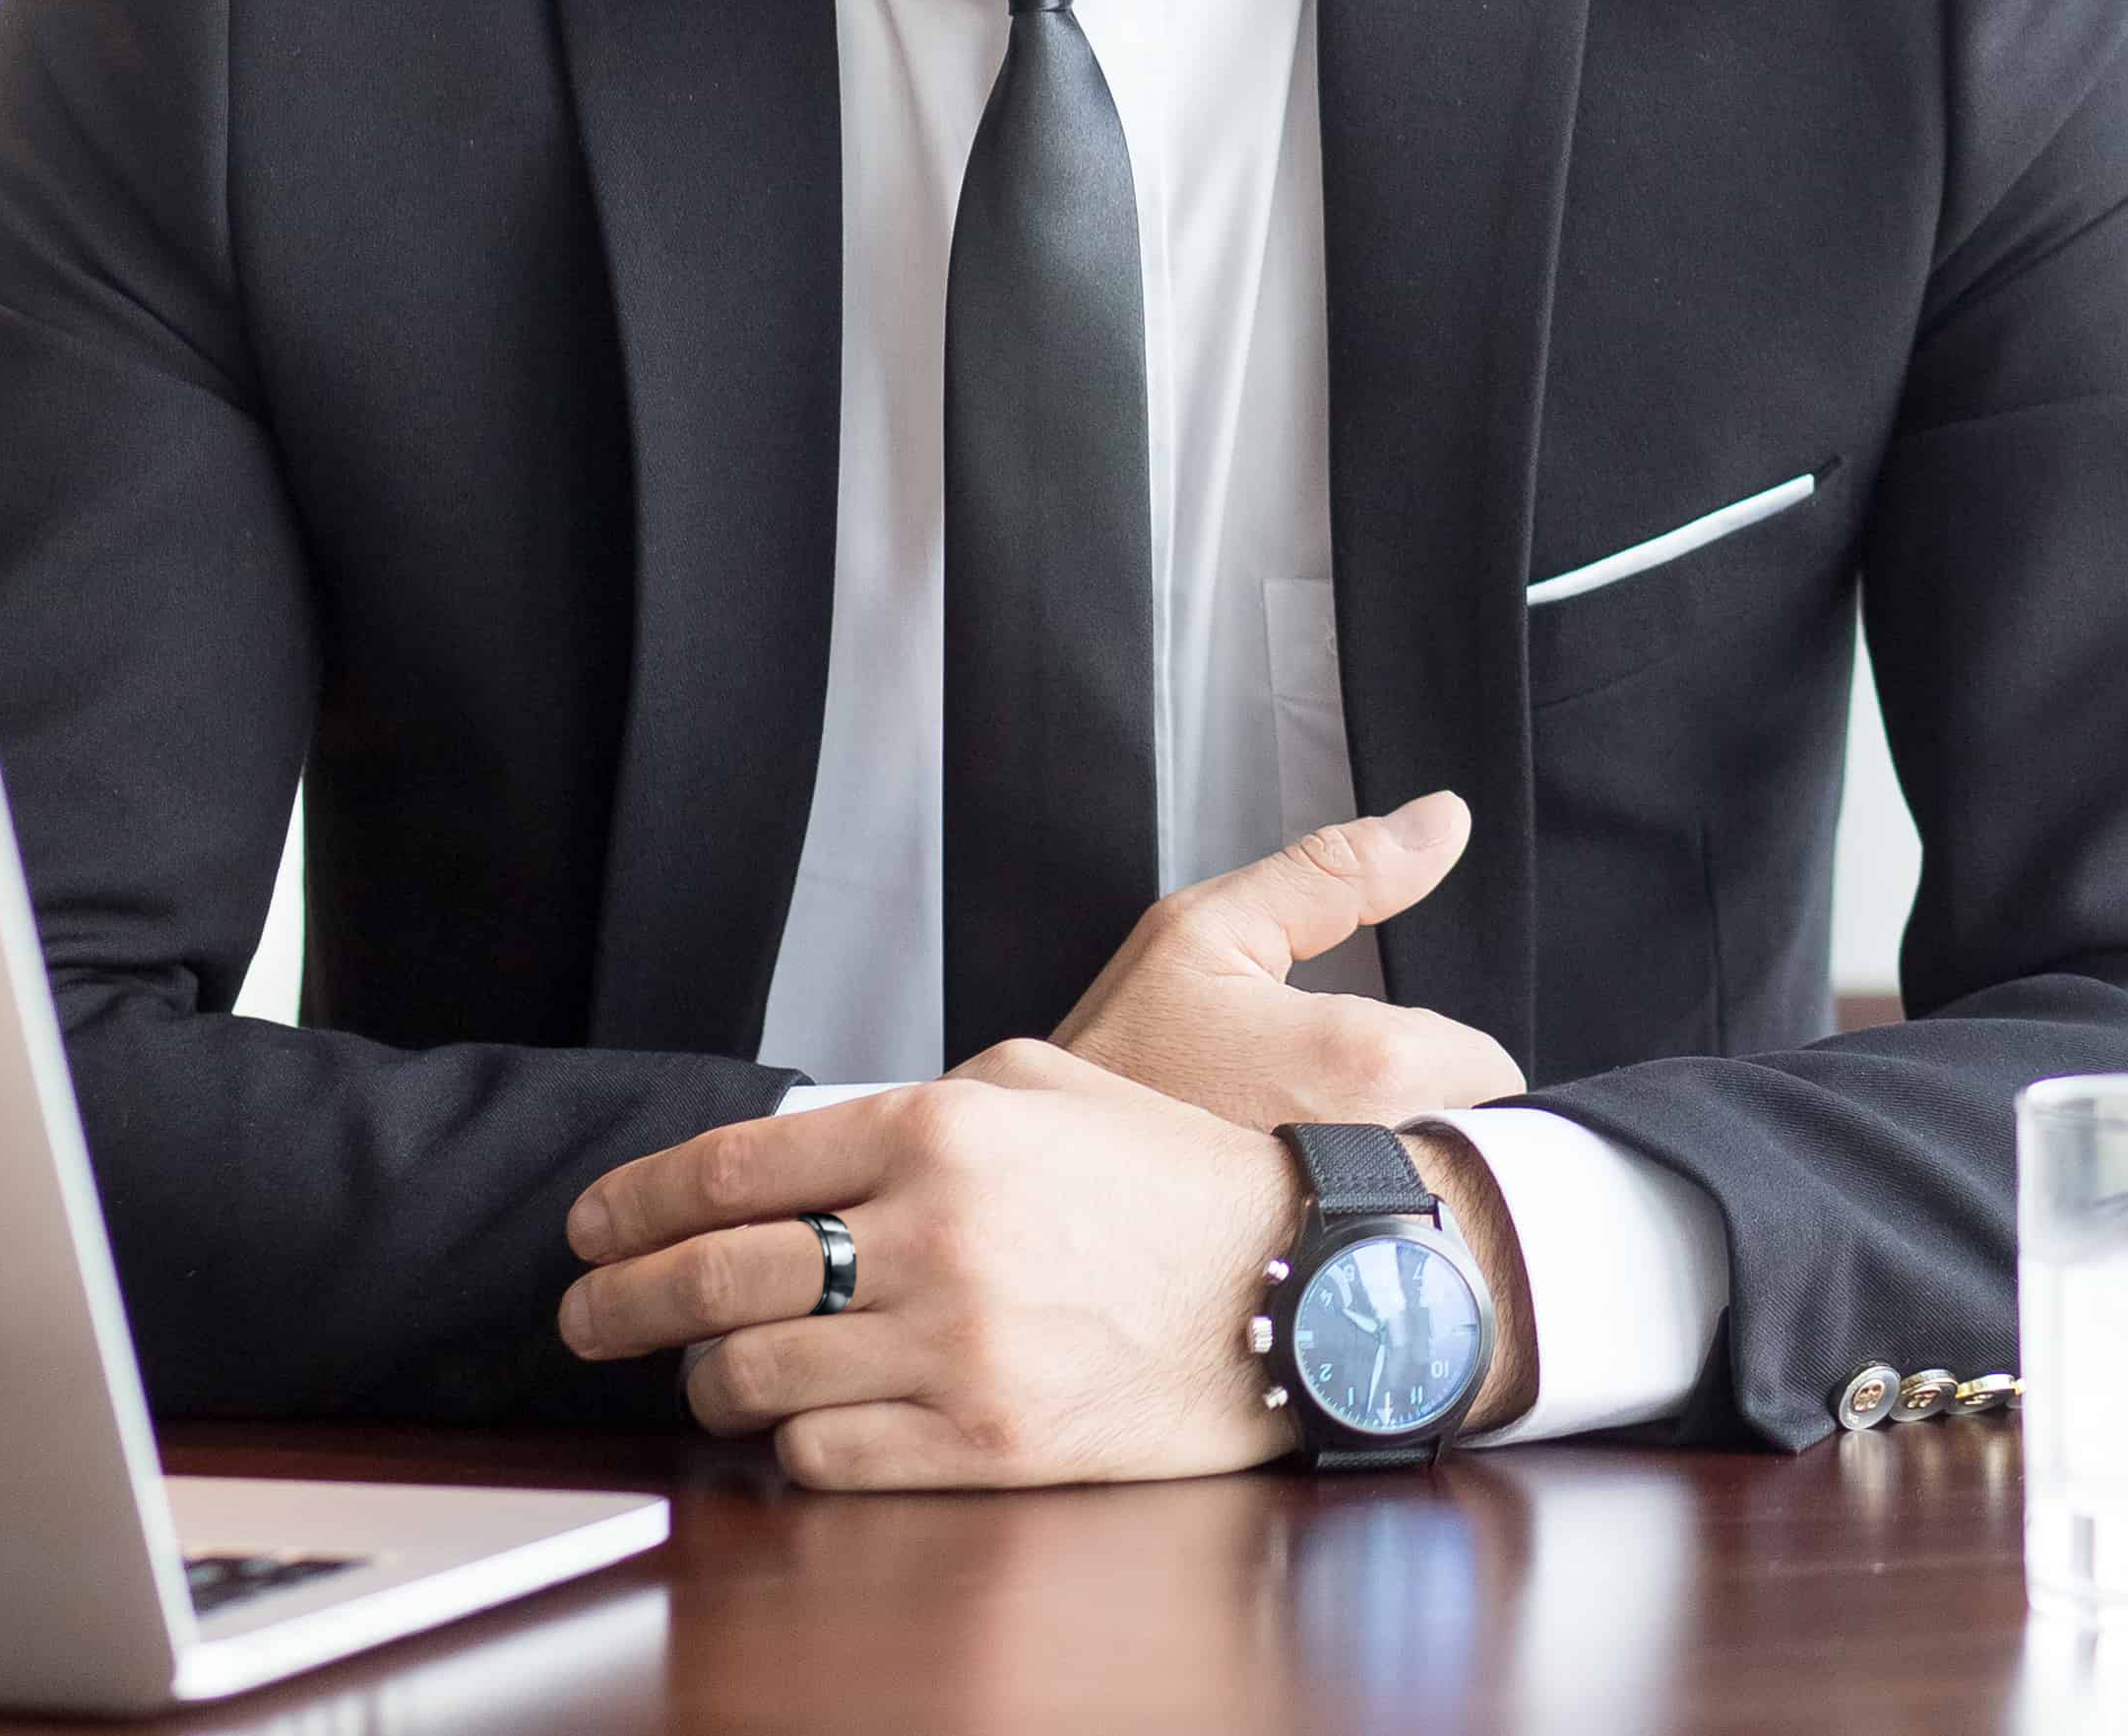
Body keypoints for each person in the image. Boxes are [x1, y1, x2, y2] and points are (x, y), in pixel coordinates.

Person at [1, 0, 2122, 1488]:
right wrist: (897, 1226)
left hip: (1604, 1558)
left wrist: (1409, 1264)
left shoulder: (1947, 34)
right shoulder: (214, 46)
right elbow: (38, 1064)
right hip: (614, 1564)